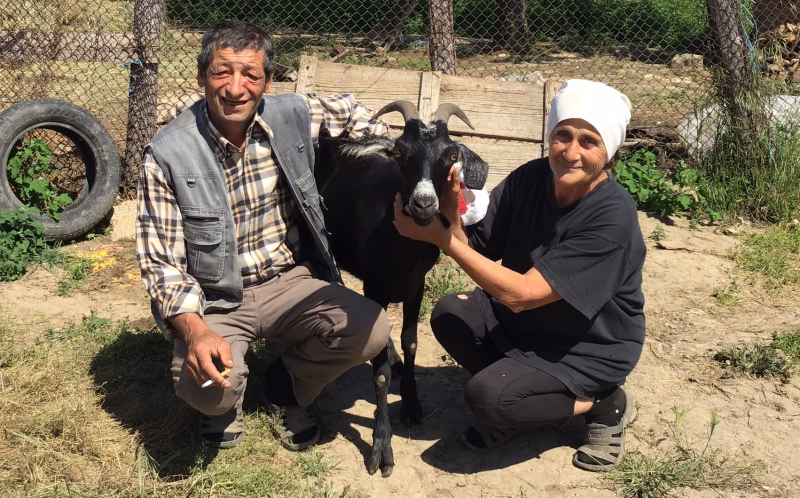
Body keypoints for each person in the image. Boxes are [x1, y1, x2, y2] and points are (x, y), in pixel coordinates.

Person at [135, 20, 392, 451]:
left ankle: (284, 386)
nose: (236, 88)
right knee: (206, 387)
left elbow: (353, 111)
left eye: (250, 75)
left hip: (289, 281)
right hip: (215, 297)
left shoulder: (291, 115)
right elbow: (160, 263)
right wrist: (195, 331)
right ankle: (224, 406)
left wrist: (399, 160)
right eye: (222, 72)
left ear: (268, 82)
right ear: (201, 76)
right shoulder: (167, 153)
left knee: (371, 329)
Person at [393, 79, 646, 471]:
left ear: (609, 151)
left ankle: (602, 402)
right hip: (527, 326)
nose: (571, 152)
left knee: (489, 399)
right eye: (563, 135)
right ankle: (529, 397)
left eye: (588, 142)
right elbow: (477, 248)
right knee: (450, 315)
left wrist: (440, 239)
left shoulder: (611, 218)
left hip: (586, 349)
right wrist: (450, 206)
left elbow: (523, 294)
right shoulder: (531, 177)